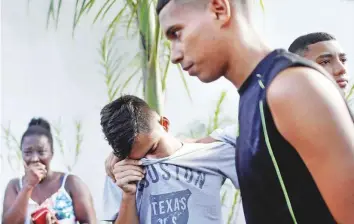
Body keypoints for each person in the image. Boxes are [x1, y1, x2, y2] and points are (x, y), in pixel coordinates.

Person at [157, 0, 354, 223]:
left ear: (219, 9)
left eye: (177, 33)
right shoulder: (255, 94)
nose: (174, 55)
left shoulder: (290, 86)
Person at [103, 31, 351, 180]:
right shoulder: (263, 125)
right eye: (326, 61)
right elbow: (191, 145)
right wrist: (124, 150)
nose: (340, 69)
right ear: (299, 67)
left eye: (342, 59)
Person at [100, 95, 239, 223]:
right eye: (138, 158)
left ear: (164, 124)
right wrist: (128, 195)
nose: (149, 160)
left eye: (152, 149)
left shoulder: (211, 154)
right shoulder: (120, 172)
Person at [2, 118, 96, 224]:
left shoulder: (71, 183)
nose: (34, 159)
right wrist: (28, 186)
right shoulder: (15, 186)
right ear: (22, 154)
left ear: (52, 152)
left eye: (41, 152)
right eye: (28, 152)